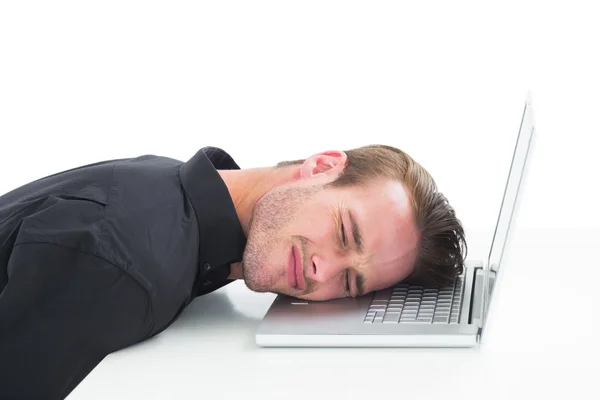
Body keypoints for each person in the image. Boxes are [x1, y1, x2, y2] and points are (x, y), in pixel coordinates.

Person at [0, 144, 466, 399]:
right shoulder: (126, 268)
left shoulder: (171, 186)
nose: (322, 271)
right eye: (345, 233)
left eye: (350, 283)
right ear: (321, 166)